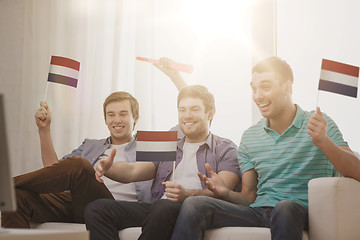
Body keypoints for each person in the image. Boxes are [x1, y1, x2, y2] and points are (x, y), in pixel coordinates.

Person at [170, 56, 360, 240]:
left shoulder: (320, 123)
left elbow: (357, 171)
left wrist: (324, 142)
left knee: (284, 208)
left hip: (300, 211)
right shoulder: (250, 137)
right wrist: (226, 193)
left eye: (266, 87)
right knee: (195, 204)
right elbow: (249, 197)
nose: (258, 96)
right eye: (254, 89)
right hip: (259, 212)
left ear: (287, 88)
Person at [84, 83, 241, 240]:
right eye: (182, 109)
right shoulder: (168, 139)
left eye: (194, 109)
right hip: (157, 208)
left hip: (191, 210)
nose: (187, 115)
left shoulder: (226, 148)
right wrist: (108, 168)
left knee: (163, 207)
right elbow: (132, 171)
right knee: (96, 208)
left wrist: (187, 195)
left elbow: (223, 192)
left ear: (210, 113)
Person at [1, 91, 153, 228]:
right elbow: (55, 171)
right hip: (77, 203)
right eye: (111, 115)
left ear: (136, 118)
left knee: (80, 166)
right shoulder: (90, 145)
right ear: (105, 119)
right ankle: (7, 190)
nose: (117, 120)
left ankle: (5, 186)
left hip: (117, 210)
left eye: (123, 114)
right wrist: (44, 130)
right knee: (16, 198)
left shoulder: (148, 147)